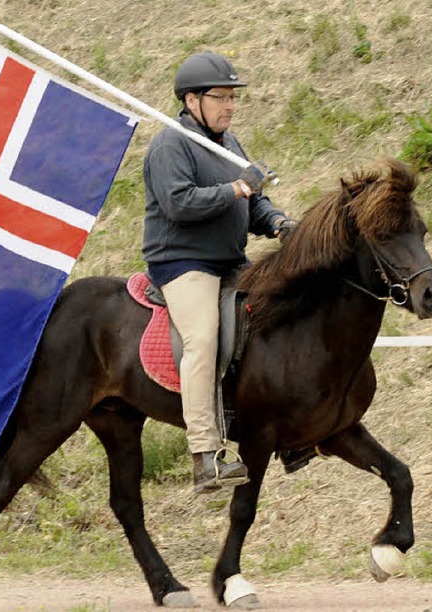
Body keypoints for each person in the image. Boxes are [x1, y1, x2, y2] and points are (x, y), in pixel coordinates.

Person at [141, 51, 296, 494]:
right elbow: (179, 203)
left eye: (232, 98)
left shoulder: (229, 144)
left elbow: (252, 203)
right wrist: (237, 186)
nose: (229, 106)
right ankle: (205, 455)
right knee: (203, 338)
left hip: (231, 261)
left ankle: (290, 433)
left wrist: (278, 222)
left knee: (281, 318)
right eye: (220, 97)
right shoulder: (169, 144)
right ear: (192, 101)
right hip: (184, 262)